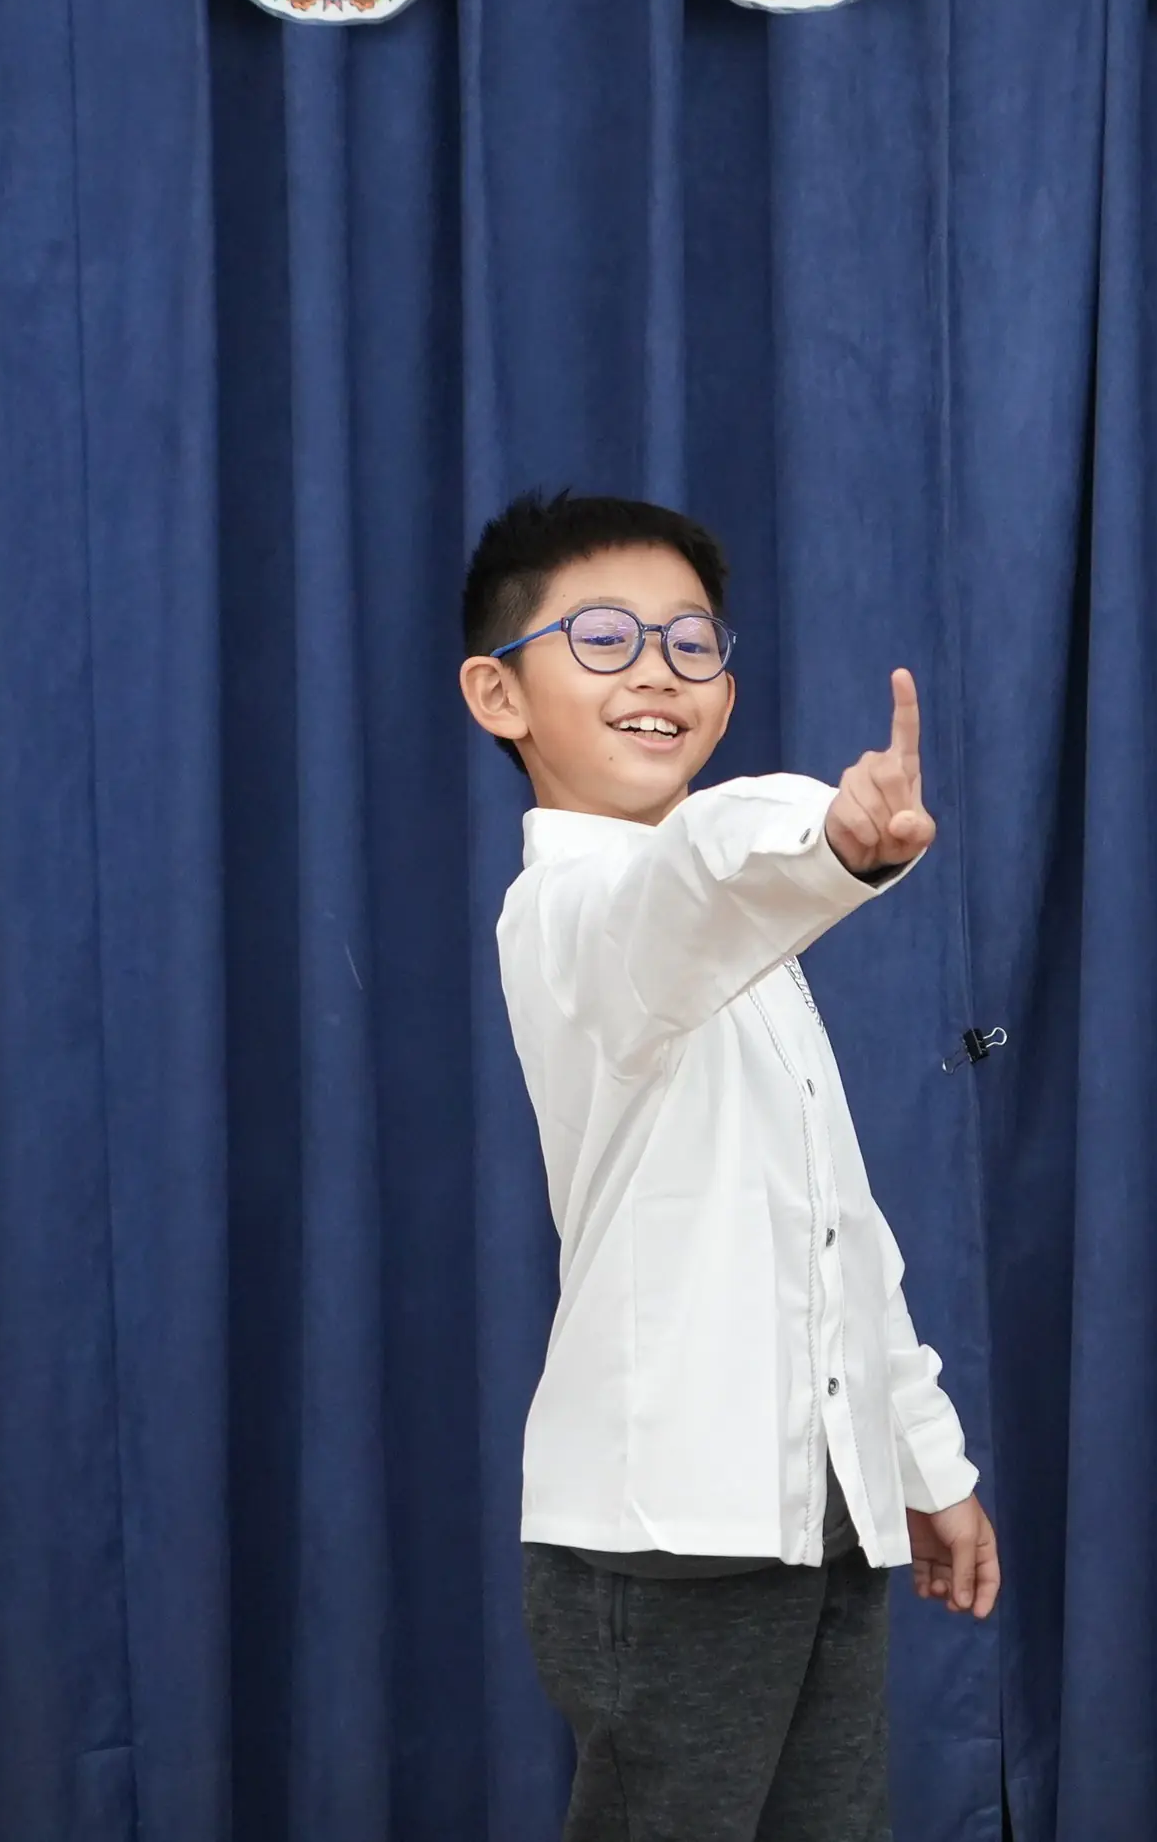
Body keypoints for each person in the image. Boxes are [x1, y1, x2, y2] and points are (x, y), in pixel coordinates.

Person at [458, 491, 997, 1842]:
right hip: (671, 1531)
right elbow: (688, 882)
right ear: (498, 694)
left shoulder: (751, 946)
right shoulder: (568, 913)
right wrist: (832, 836)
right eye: (602, 637)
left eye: (690, 644)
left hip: (819, 1512)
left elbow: (841, 1228)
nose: (656, 671)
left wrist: (924, 1458)